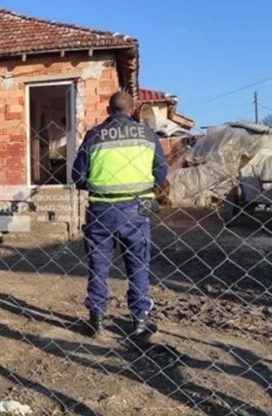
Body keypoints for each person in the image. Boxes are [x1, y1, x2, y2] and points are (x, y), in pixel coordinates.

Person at [72, 90, 168, 340]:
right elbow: (161, 172)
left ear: (108, 110)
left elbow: (78, 176)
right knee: (138, 265)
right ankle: (140, 321)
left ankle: (96, 319)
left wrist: (96, 184)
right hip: (137, 209)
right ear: (132, 109)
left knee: (98, 264)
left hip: (101, 210)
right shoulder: (147, 135)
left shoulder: (94, 135)